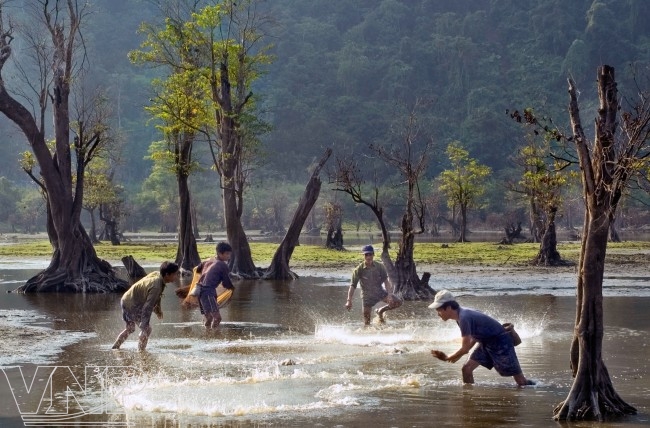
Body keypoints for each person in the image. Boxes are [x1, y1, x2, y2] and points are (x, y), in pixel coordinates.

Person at [429, 289, 534, 386]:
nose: (438, 314)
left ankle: (535, 387)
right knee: (466, 369)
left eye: (439, 310)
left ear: (448, 308)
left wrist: (449, 357)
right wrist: (459, 355)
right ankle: (469, 397)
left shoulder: (464, 317)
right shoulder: (461, 316)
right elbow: (475, 337)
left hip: (501, 341)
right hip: (485, 341)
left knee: (521, 381)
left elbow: (464, 349)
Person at [112, 261, 180, 351]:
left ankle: (115, 348)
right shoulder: (156, 285)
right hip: (132, 303)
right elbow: (147, 307)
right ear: (167, 274)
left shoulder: (158, 274)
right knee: (147, 329)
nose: (176, 277)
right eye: (175, 274)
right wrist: (144, 324)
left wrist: (158, 310)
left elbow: (156, 295)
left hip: (126, 299)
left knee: (130, 328)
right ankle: (141, 352)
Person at [345, 244, 402, 325]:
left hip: (380, 292)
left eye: (370, 254)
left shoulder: (380, 266)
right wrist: (349, 300)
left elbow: (386, 282)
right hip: (367, 297)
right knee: (367, 323)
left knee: (397, 302)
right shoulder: (359, 269)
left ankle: (380, 311)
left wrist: (389, 295)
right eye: (366, 255)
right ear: (363, 256)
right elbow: (352, 285)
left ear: (373, 255)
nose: (368, 257)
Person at [196, 242, 234, 329]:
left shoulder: (208, 261)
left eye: (230, 254)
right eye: (227, 254)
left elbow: (198, 269)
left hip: (200, 292)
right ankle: (214, 338)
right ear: (220, 253)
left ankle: (207, 336)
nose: (229, 256)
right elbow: (226, 283)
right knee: (217, 318)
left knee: (209, 318)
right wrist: (232, 288)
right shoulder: (222, 265)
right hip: (208, 292)